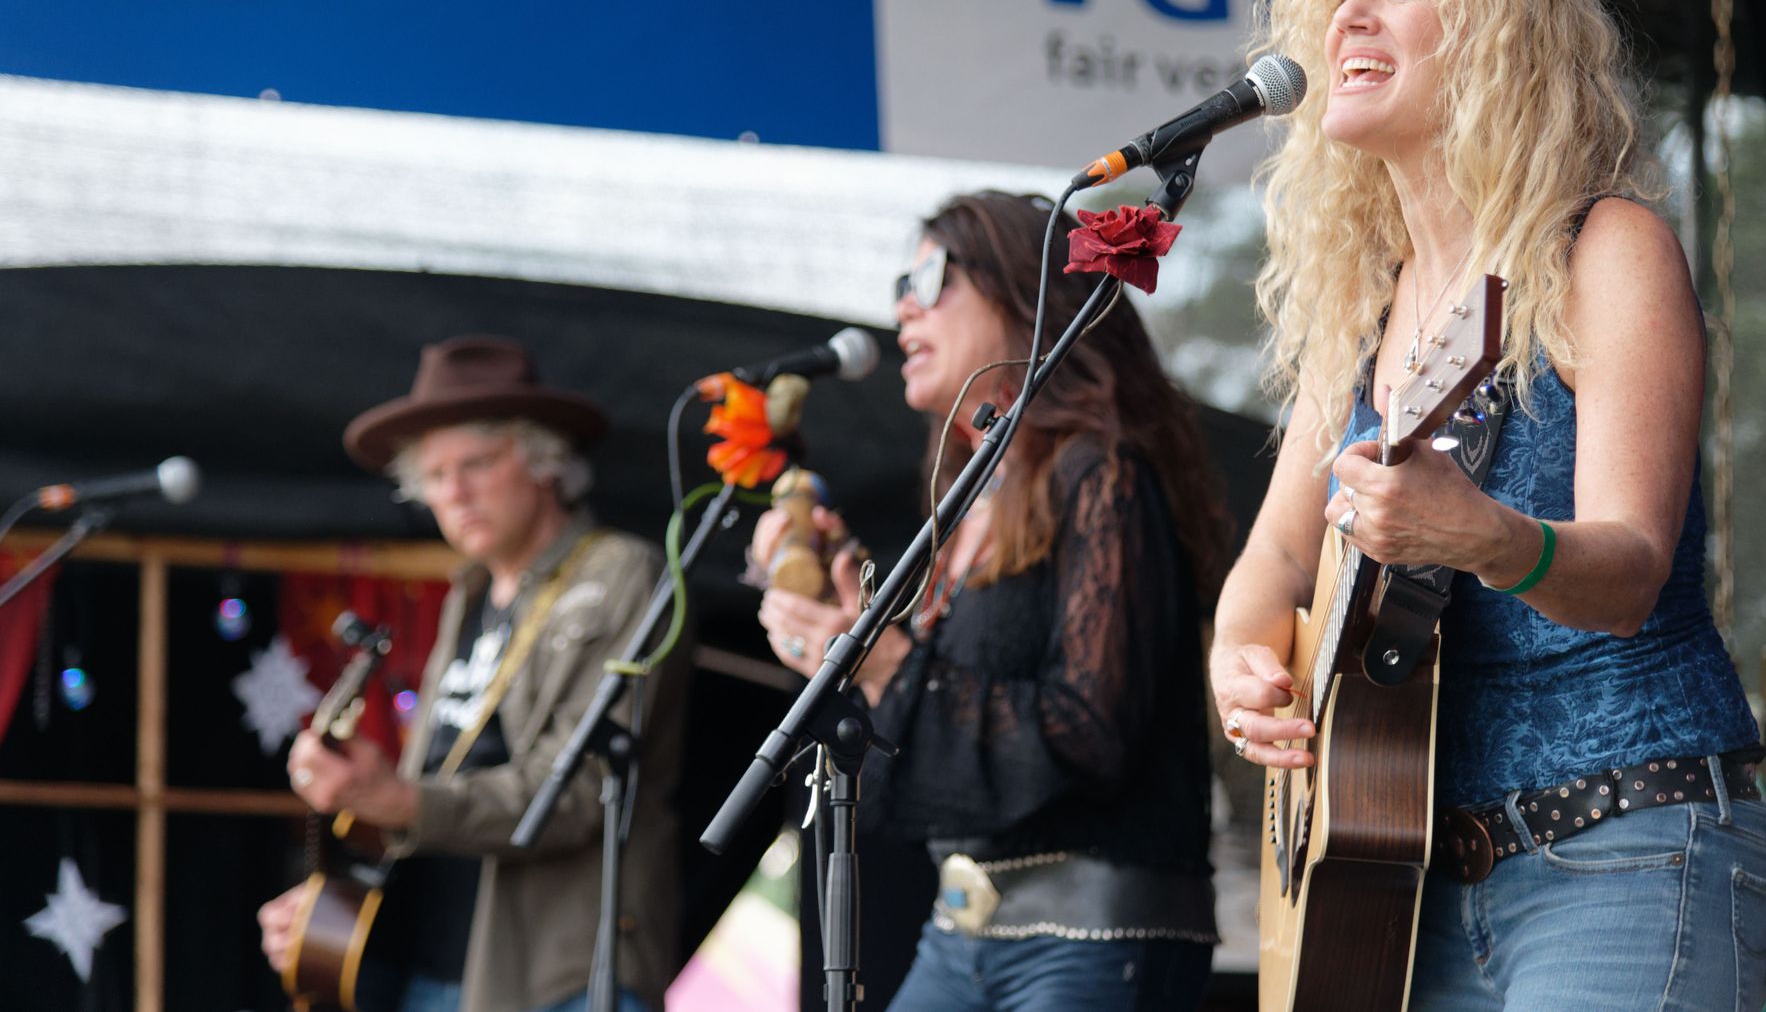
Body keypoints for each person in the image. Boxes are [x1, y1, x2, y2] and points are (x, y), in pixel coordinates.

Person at [1207, 0, 1766, 1010]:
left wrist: (1482, 534)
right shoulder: (1360, 309)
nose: (1350, 15)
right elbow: (1271, 560)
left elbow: (1628, 570)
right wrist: (1240, 660)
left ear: (1495, 41)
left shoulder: (1602, 248)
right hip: (1411, 884)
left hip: (1624, 846)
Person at [754, 191, 1229, 1011]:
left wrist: (887, 661)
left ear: (1021, 293)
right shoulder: (969, 505)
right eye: (901, 285)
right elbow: (940, 718)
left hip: (1093, 936)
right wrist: (847, 623)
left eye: (931, 277)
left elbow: (1089, 730)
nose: (903, 306)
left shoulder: (1101, 473)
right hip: (960, 931)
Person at [256, 335, 688, 1012]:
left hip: (558, 976)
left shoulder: (618, 575)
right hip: (432, 966)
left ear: (544, 461)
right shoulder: (469, 594)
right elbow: (442, 778)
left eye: (477, 463)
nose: (453, 493)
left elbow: (577, 791)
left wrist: (402, 802)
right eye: (434, 475)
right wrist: (329, 904)